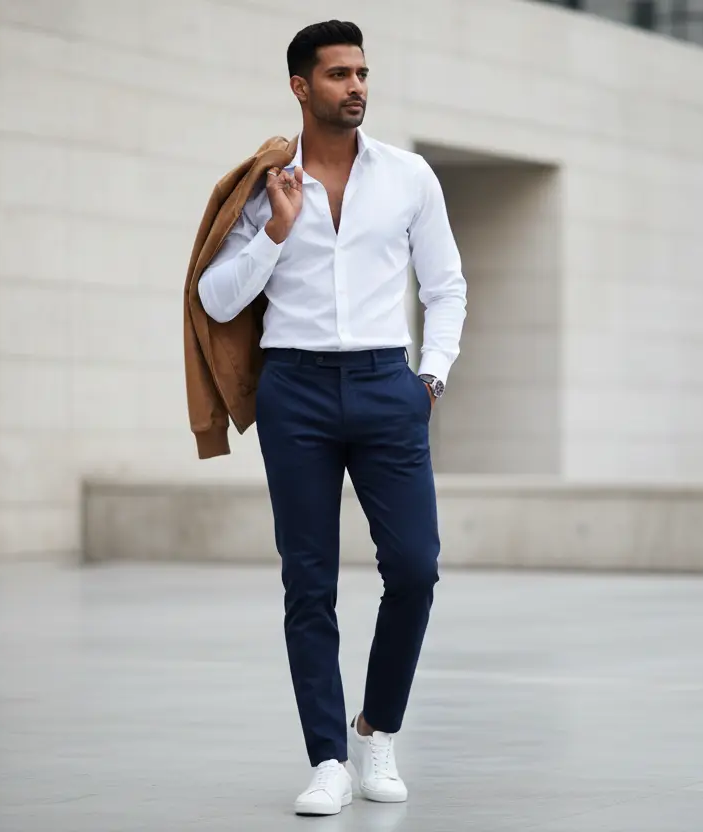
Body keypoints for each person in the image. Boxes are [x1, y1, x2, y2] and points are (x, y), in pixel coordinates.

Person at [196, 20, 467, 817]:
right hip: (297, 391)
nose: (356, 85)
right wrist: (274, 234)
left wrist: (430, 381)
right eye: (339, 73)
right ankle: (326, 760)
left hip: (390, 384)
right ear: (300, 86)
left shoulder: (409, 176)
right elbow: (215, 299)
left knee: (415, 568)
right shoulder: (264, 187)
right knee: (308, 583)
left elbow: (446, 285)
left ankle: (375, 732)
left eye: (362, 71)